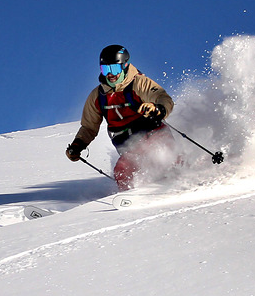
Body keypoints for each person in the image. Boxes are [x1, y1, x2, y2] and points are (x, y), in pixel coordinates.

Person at [66, 45, 175, 191]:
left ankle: (187, 178)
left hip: (153, 135)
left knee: (163, 157)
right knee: (122, 170)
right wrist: (77, 145)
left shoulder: (139, 83)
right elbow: (89, 126)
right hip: (130, 147)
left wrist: (157, 108)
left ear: (124, 66)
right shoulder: (98, 96)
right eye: (105, 69)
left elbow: (162, 97)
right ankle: (131, 198)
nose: (110, 74)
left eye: (115, 69)